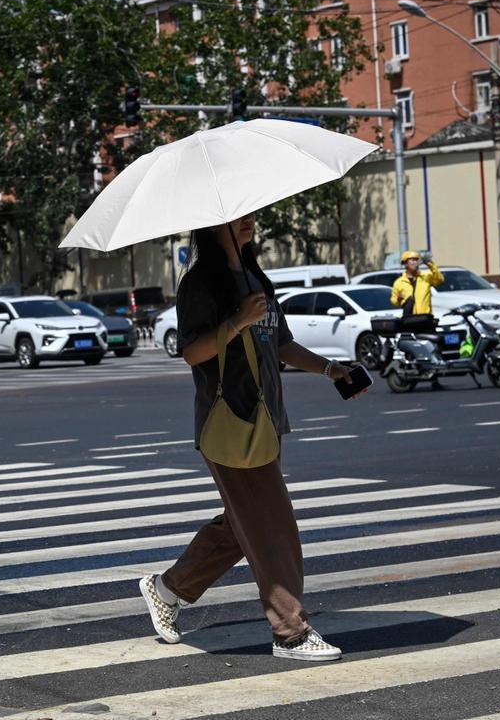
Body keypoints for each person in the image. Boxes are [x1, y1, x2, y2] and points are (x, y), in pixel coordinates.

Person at [138, 213, 363, 662]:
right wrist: (237, 321)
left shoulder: (255, 275)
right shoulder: (201, 284)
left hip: (265, 420)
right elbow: (192, 353)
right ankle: (291, 631)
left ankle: (168, 587)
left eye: (249, 213)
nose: (249, 222)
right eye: (237, 217)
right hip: (230, 421)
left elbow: (279, 343)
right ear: (209, 223)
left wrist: (329, 369)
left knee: (244, 525)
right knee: (272, 524)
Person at [391, 250, 444, 321]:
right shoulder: (399, 282)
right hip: (409, 320)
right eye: (412, 260)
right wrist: (398, 299)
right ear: (405, 263)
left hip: (425, 318)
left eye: (416, 260)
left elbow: (439, 280)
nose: (415, 262)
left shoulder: (425, 276)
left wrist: (431, 266)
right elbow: (394, 301)